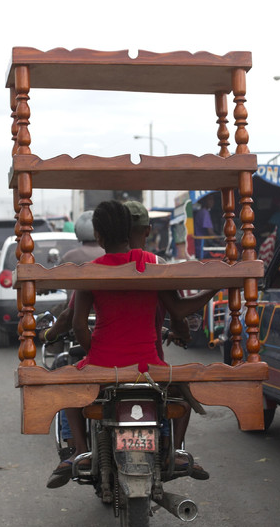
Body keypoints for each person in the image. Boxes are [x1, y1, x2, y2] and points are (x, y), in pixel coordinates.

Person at [47, 200, 216, 487]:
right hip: (148, 365)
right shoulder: (151, 264)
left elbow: (76, 325)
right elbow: (178, 310)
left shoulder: (90, 270)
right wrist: (215, 289)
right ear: (131, 230)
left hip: (103, 362)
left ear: (98, 235)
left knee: (68, 390)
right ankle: (174, 452)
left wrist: (96, 356)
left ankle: (79, 450)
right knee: (182, 399)